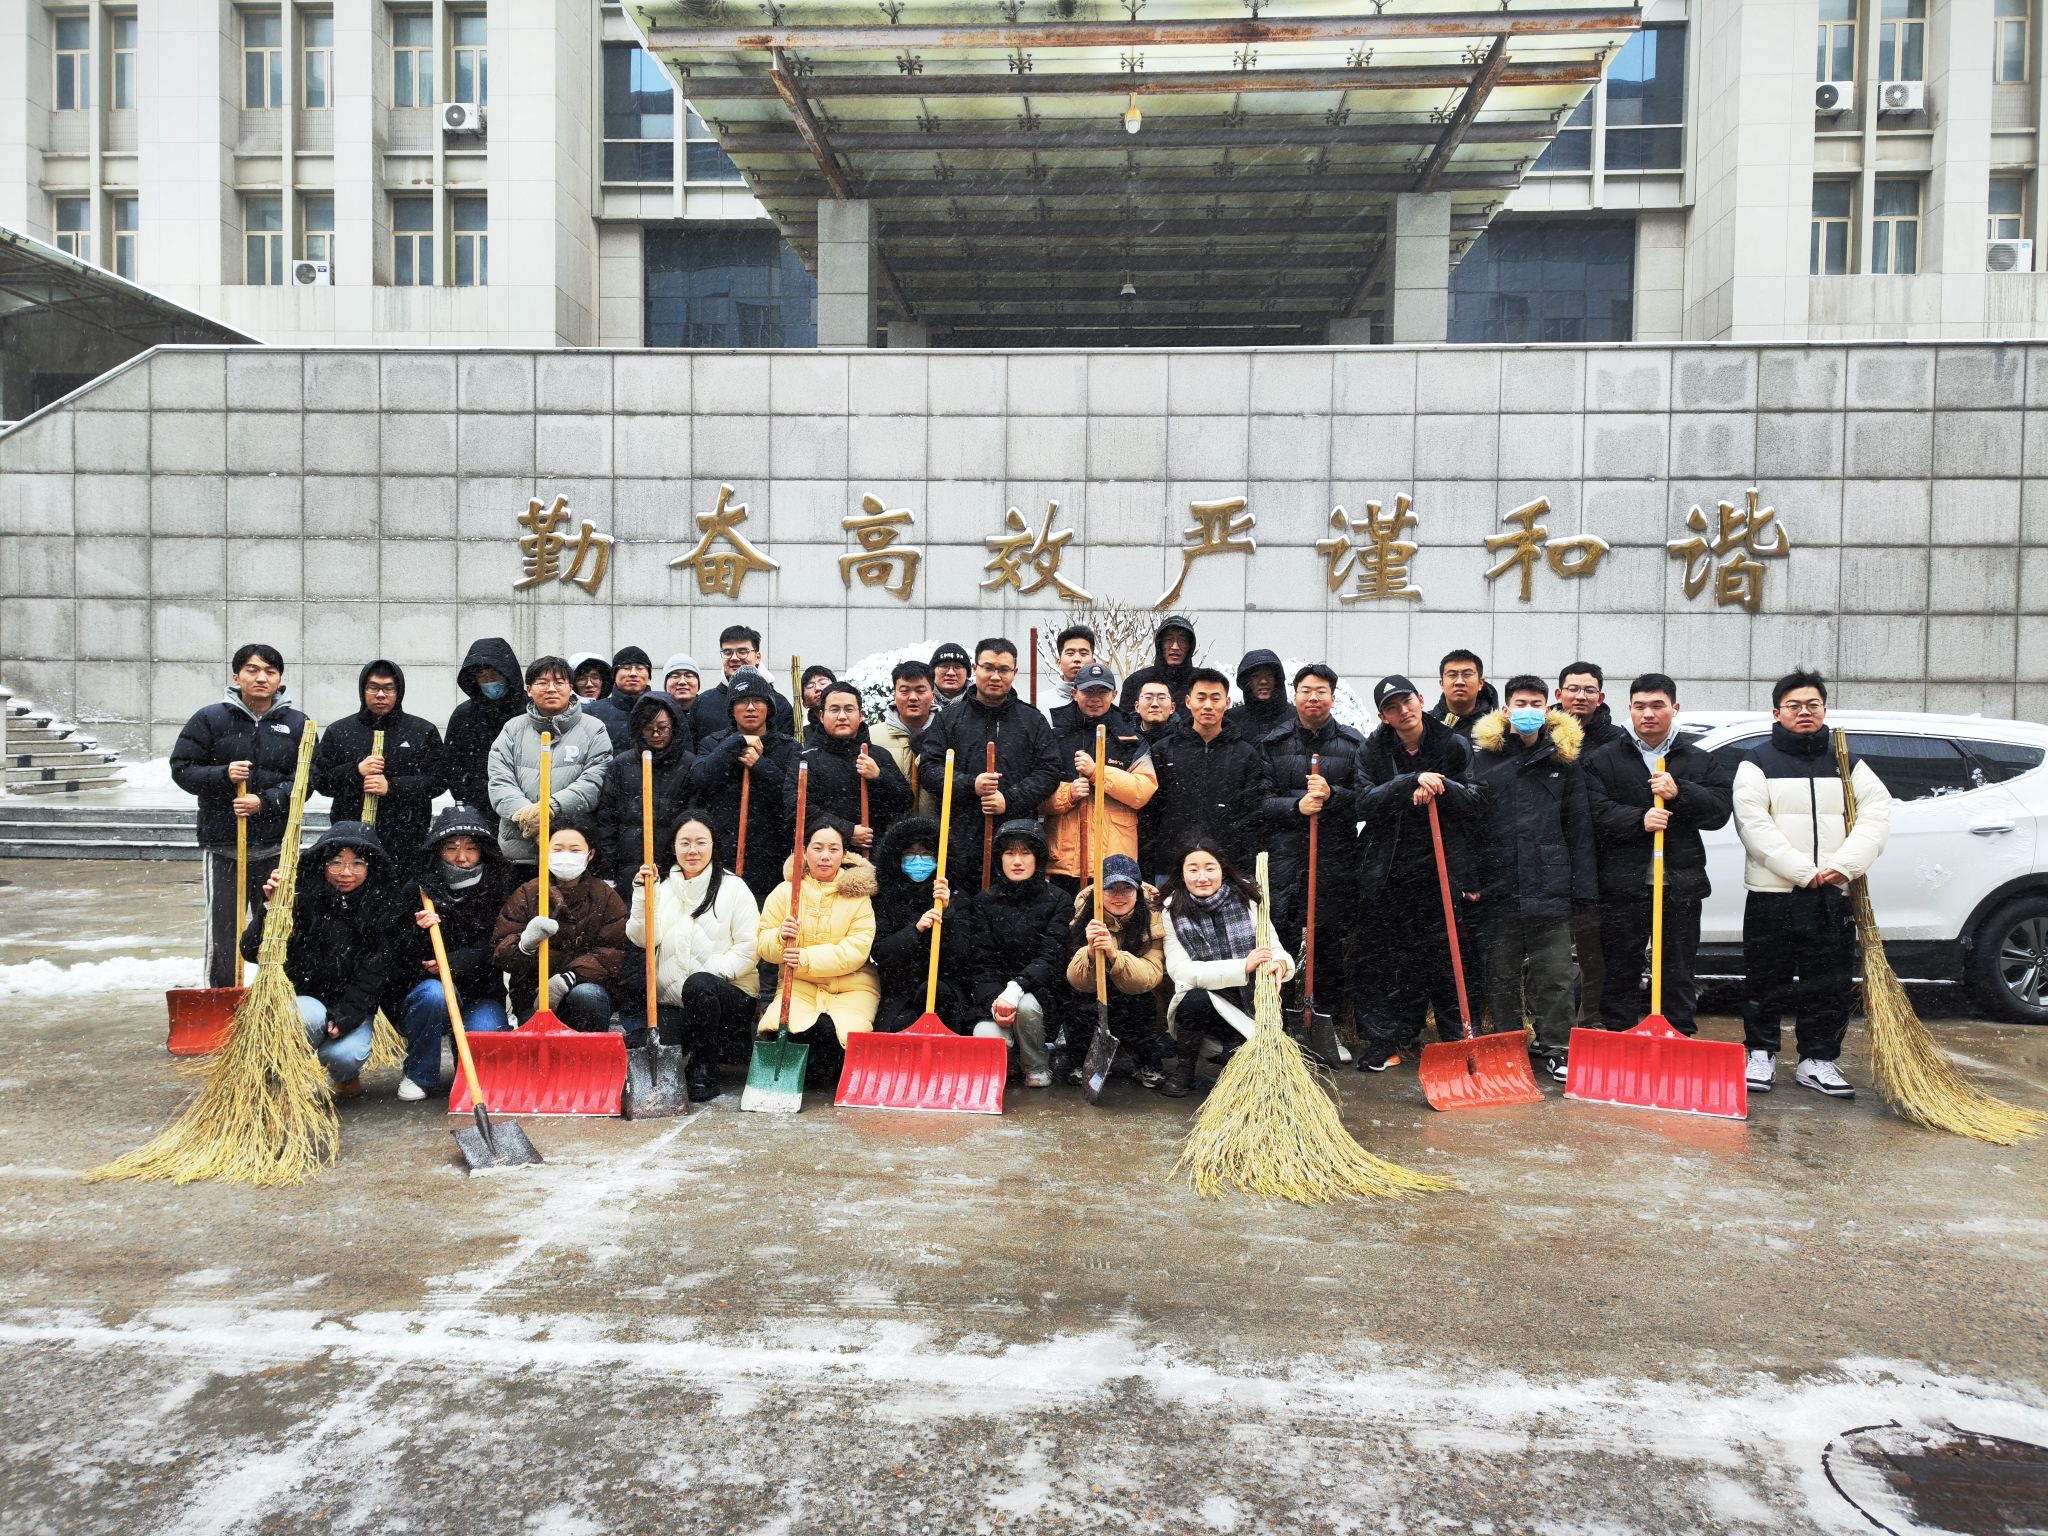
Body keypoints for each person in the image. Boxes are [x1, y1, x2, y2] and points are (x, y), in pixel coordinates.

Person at [1731, 670, 1892, 1099]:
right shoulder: (1757, 762)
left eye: (1812, 705)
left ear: (1824, 709)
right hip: (1774, 892)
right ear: (1777, 712)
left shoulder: (1847, 761)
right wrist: (1804, 871)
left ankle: (1817, 1060)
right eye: (1794, 705)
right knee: (1766, 977)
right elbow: (1752, 824)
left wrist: (1843, 866)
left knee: (1829, 981)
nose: (1804, 712)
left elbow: (1876, 814)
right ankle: (1761, 1053)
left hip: (1832, 893)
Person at [1583, 672, 1734, 1040]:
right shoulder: (1604, 759)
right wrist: (1640, 819)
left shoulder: (1698, 759)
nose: (1647, 714)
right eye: (1639, 706)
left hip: (1680, 883)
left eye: (1657, 705)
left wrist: (1680, 793)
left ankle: (1678, 1034)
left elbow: (1718, 812)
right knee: (1621, 964)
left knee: (1678, 966)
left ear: (1674, 708)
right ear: (1629, 709)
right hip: (1623, 884)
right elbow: (1594, 812)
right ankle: (1619, 1034)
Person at [1468, 675, 1599, 1082]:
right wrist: (1471, 879)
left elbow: (1579, 829)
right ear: (1506, 710)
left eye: (1536, 704)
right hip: (1499, 886)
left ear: (1548, 709)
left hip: (1550, 886)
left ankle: (1557, 1048)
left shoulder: (1564, 761)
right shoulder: (1483, 760)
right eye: (1521, 704)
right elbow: (1469, 827)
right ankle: (1508, 1046)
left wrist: (1582, 889)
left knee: (1555, 975)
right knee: (1501, 975)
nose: (1528, 711)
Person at [1352, 675, 1484, 1072]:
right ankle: (1388, 1039)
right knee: (1391, 962)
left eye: (1407, 701)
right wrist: (1408, 780)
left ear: (1422, 700)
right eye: (1392, 707)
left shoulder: (1452, 744)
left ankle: (1459, 1039)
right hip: (1390, 872)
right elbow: (1364, 802)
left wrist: (1440, 784)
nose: (1403, 711)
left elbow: (1476, 800)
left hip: (1442, 871)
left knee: (1449, 959)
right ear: (1383, 717)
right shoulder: (1373, 750)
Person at [171, 642, 315, 989]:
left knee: (278, 927)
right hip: (224, 846)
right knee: (224, 932)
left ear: (279, 679)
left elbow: (307, 779)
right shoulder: (210, 719)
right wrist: (223, 775)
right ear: (237, 676)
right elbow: (182, 768)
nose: (261, 678)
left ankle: (278, 995)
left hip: (276, 847)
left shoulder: (297, 724)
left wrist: (265, 801)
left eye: (270, 671)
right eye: (252, 670)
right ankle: (222, 993)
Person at [241, 821, 393, 1098]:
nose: (345, 873)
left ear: (370, 867)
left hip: (350, 1005)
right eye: (336, 863)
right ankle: (286, 1076)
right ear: (323, 864)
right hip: (303, 1001)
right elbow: (251, 951)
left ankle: (345, 1078)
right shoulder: (301, 899)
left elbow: (373, 974)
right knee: (305, 1016)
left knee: (346, 1056)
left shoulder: (381, 908)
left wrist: (346, 1016)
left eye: (357, 864)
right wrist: (271, 907)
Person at [624, 812, 761, 1102]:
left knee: (699, 985)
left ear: (713, 845)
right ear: (673, 847)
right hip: (676, 1003)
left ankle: (704, 1066)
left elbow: (749, 949)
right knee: (641, 1045)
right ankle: (687, 1049)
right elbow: (642, 938)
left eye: (701, 842)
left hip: (729, 999)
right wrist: (642, 894)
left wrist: (706, 976)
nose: (693, 850)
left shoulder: (734, 888)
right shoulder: (661, 889)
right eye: (685, 843)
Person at [917, 637, 1062, 893]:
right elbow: (929, 768)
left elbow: (1049, 771)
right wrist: (970, 784)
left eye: (1004, 669)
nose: (995, 676)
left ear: (1014, 672)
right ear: (975, 669)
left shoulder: (1032, 720)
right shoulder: (949, 719)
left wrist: (1010, 799)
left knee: (1013, 905)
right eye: (988, 668)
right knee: (963, 906)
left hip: (1017, 839)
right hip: (961, 837)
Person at [394, 805, 516, 1102]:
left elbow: (499, 945)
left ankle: (466, 1066)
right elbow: (395, 952)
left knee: (486, 1037)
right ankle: (420, 1073)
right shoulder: (419, 889)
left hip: (481, 992)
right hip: (431, 992)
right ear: (438, 849)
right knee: (434, 996)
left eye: (471, 848)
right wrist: (418, 932)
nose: (462, 857)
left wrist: (456, 963)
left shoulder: (498, 887)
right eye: (451, 848)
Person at [1158, 837, 1293, 1098]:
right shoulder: (1171, 910)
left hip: (1252, 1004)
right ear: (1182, 874)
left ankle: (1241, 1049)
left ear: (1222, 869)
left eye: (1210, 868)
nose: (1202, 877)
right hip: (1213, 1007)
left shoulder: (1247, 899)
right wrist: (1243, 966)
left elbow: (1274, 948)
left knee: (1252, 1074)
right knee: (1193, 998)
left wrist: (1280, 963)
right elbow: (1181, 972)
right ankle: (1185, 1069)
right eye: (1193, 869)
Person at [756, 814, 879, 1086]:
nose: (825, 856)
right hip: (799, 984)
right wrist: (780, 937)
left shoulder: (858, 897)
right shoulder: (785, 892)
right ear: (804, 851)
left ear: (844, 855)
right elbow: (763, 944)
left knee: (835, 1034)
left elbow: (856, 949)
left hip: (852, 986)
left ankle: (828, 1070)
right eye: (818, 848)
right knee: (781, 1030)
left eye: (833, 849)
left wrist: (805, 957)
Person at [1258, 663, 1365, 962]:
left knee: (1329, 950)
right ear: (1294, 697)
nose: (1313, 697)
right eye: (1306, 691)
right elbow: (1259, 803)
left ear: (1333, 698)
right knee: (1280, 951)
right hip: (1285, 864)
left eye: (1321, 691)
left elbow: (1367, 801)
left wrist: (1333, 796)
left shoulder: (1354, 744)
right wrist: (1296, 807)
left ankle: (1325, 995)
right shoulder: (1273, 744)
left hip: (1335, 862)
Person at [493, 817, 628, 1032]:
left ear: (590, 854)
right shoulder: (527, 893)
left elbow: (615, 951)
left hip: (586, 990)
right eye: (557, 849)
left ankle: (588, 1052)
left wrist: (570, 978)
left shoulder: (604, 895)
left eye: (575, 850)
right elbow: (501, 952)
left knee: (587, 996)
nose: (566, 856)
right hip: (534, 994)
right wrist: (524, 944)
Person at [311, 659, 445, 875]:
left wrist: (392, 787)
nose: (380, 695)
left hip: (406, 838)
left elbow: (438, 781)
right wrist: (356, 772)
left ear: (399, 692)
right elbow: (322, 782)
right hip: (350, 839)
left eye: (388, 688)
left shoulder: (421, 731)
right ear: (362, 690)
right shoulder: (339, 731)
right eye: (373, 687)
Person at [966, 819, 1073, 1088]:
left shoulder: (1059, 900)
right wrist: (995, 1000)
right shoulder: (983, 902)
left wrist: (1017, 988)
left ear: (1038, 858)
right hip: (995, 998)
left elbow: (1052, 955)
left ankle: (1036, 1065)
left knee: (1026, 1006)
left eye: (1025, 853)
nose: (1017, 861)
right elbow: (981, 962)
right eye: (1009, 853)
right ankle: (1010, 1060)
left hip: (1041, 996)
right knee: (986, 1034)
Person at [485, 655, 614, 876]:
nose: (551, 689)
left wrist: (549, 809)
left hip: (570, 853)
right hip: (519, 852)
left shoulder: (594, 729)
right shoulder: (512, 729)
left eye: (559, 682)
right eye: (542, 683)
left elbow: (593, 782)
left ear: (571, 688)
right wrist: (527, 815)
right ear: (529, 690)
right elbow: (500, 781)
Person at [1040, 662, 1157, 892]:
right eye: (1088, 691)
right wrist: (1068, 794)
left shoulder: (1131, 739)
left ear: (1114, 694)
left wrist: (1098, 773)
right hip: (1064, 861)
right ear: (1075, 693)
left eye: (1102, 692)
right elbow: (1038, 796)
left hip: (1115, 860)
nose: (1095, 698)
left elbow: (1142, 791)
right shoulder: (1054, 736)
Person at [690, 668, 800, 904]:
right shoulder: (713, 744)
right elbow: (699, 779)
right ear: (732, 709)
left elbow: (793, 796)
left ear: (769, 707)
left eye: (758, 701)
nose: (750, 708)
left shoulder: (788, 748)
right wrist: (736, 743)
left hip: (770, 858)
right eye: (742, 701)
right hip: (722, 856)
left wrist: (760, 765)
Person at [1149, 668, 1272, 877]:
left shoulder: (1245, 754)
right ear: (1188, 701)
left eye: (1215, 698)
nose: (1208, 705)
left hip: (1228, 867)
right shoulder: (1164, 750)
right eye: (1201, 697)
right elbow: (1151, 813)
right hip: (1171, 867)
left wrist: (1243, 864)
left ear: (1227, 703)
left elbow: (1252, 815)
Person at [1062, 854, 1170, 1088]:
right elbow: (1077, 981)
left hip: (1135, 994)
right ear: (1099, 892)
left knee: (1143, 1006)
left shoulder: (1153, 918)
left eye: (1126, 889)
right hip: (1093, 994)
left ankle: (1146, 1063)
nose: (1119, 896)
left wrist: (1114, 956)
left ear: (1137, 892)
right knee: (1078, 1008)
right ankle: (1082, 1062)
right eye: (1111, 889)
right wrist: (1091, 954)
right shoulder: (1084, 914)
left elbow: (1150, 975)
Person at [1555, 660, 1623, 1026]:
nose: (1580, 696)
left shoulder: (1617, 742)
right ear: (1559, 693)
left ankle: (1590, 1023)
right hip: (1549, 857)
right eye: (1573, 688)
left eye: (1589, 689)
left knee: (1593, 951)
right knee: (1548, 953)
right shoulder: (1540, 734)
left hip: (1598, 862)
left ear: (1601, 696)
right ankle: (1550, 1028)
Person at [789, 680, 911, 859]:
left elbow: (905, 803)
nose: (842, 716)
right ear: (822, 716)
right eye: (834, 710)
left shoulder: (878, 756)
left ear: (861, 715)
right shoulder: (806, 759)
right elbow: (797, 809)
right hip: (825, 860)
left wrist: (879, 777)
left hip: (875, 858)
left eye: (849, 709)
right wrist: (847, 831)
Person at [868, 815, 967, 1033]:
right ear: (898, 858)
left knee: (936, 994)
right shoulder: (886, 900)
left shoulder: (956, 898)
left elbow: (961, 956)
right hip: (898, 992)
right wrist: (915, 930)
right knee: (898, 1026)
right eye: (911, 854)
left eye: (926, 854)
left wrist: (947, 914)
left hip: (946, 989)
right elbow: (880, 953)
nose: (918, 860)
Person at [595, 693, 696, 895]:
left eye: (662, 727)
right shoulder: (622, 764)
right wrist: (609, 866)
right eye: (648, 728)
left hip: (676, 865)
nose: (656, 734)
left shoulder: (690, 764)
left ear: (674, 726)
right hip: (629, 865)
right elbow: (607, 819)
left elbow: (695, 816)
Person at [444, 636, 525, 835]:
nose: (489, 681)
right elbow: (452, 766)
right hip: (478, 814)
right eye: (481, 675)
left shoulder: (529, 710)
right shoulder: (463, 715)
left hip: (525, 810)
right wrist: (478, 796)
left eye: (495, 673)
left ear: (508, 673)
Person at [694, 625, 795, 740]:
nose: (734, 658)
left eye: (742, 651)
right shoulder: (703, 702)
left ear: (758, 657)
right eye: (727, 652)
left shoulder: (779, 703)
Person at [869, 659, 941, 817]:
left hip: (937, 828)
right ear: (894, 695)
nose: (913, 697)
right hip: (887, 828)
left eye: (920, 690)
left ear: (933, 696)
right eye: (905, 691)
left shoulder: (946, 734)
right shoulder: (871, 736)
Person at [1118, 613, 1198, 713]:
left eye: (1182, 641)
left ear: (1190, 646)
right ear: (1160, 644)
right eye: (1169, 640)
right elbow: (1125, 720)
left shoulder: (1201, 682)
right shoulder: (1135, 682)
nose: (1175, 647)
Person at [586, 645, 656, 751]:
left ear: (649, 677)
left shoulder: (662, 709)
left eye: (640, 668)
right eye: (626, 668)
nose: (633, 673)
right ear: (614, 675)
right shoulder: (591, 711)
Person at [1226, 649, 1295, 738]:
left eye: (1269, 675)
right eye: (1255, 676)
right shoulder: (1232, 719)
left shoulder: (1296, 717)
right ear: (1247, 682)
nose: (1263, 681)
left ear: (1277, 680)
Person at [1433, 649, 1498, 738]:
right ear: (1442, 684)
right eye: (1452, 675)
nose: (1459, 682)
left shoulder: (1497, 729)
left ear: (1480, 683)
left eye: (1467, 674)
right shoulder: (1425, 725)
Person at [1049, 624, 1096, 706]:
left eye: (1083, 653)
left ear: (1093, 662)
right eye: (1070, 653)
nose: (1077, 659)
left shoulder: (1105, 705)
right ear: (1059, 662)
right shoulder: (1039, 704)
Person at [662, 653, 704, 741]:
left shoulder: (709, 710)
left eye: (689, 676)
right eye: (675, 676)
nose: (682, 682)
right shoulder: (657, 714)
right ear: (665, 684)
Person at [799, 664, 838, 739]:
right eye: (810, 686)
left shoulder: (850, 727)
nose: (817, 688)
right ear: (804, 703)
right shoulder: (801, 735)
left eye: (823, 683)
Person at [929, 641, 972, 709]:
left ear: (967, 674)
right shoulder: (920, 701)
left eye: (958, 667)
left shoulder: (980, 701)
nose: (951, 673)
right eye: (944, 666)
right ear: (932, 672)